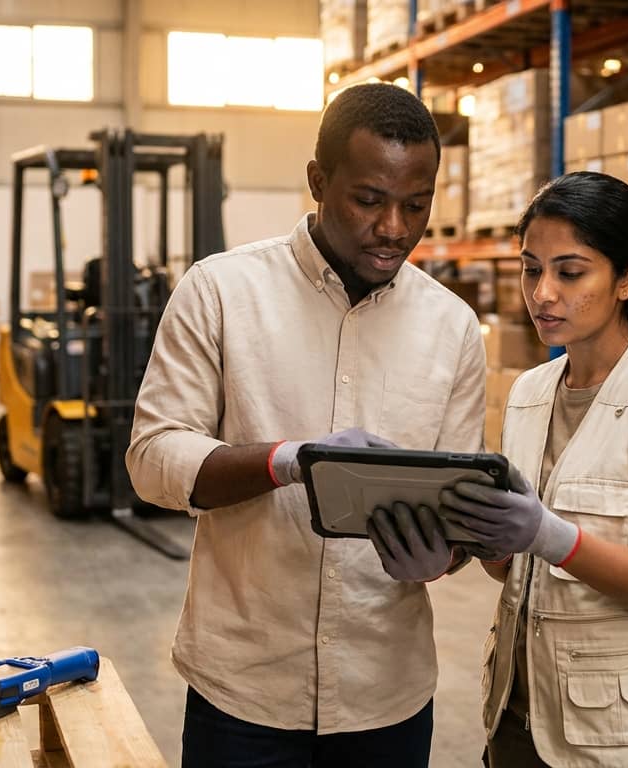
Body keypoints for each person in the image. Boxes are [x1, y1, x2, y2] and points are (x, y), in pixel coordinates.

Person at [125, 83, 487, 767]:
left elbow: (460, 504)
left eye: (417, 205)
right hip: (246, 694)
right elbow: (153, 457)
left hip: (386, 695)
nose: (394, 228)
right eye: (369, 199)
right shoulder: (221, 292)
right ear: (318, 181)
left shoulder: (452, 328)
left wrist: (446, 554)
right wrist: (289, 460)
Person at [437, 172, 628, 767]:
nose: (542, 293)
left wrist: (544, 532)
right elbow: (520, 573)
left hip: (623, 738)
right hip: (519, 713)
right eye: (530, 268)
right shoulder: (530, 392)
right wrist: (474, 543)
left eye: (570, 272)